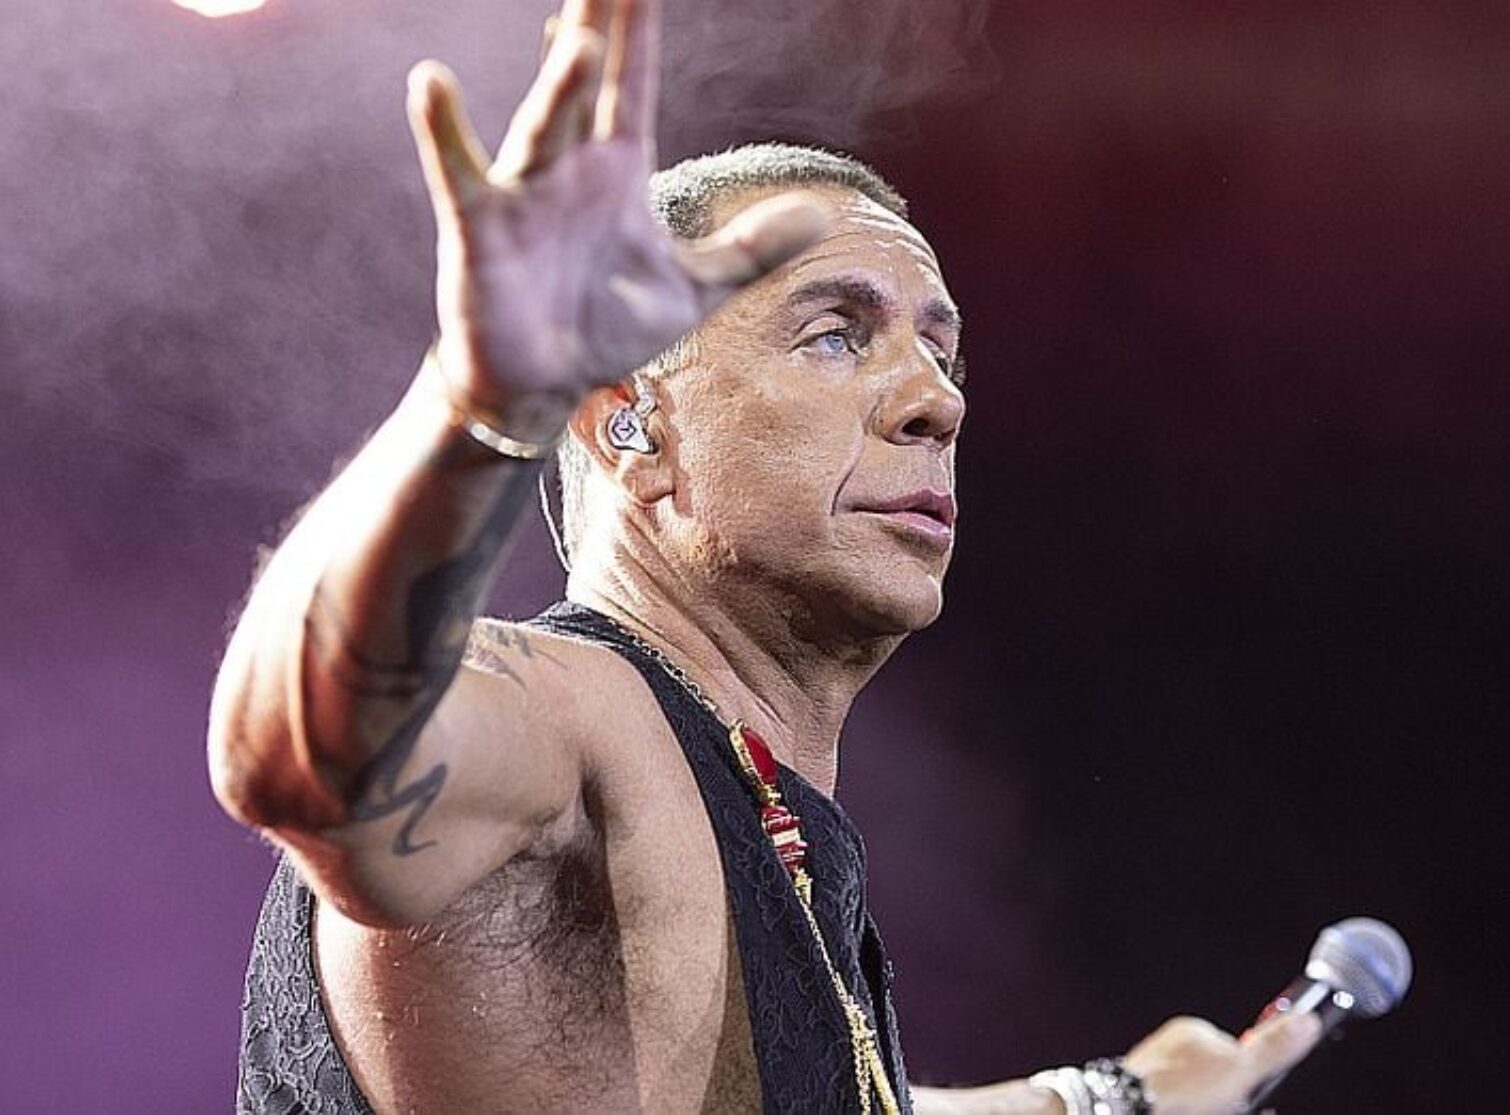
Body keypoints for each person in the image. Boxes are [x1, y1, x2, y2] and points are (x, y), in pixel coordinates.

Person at [209, 1, 1323, 1111]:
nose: (937, 402)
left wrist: (1108, 1096)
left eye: (943, 355)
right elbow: (302, 759)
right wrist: (479, 397)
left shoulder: (740, 793)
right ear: (630, 427)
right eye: (836, 333)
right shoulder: (569, 716)